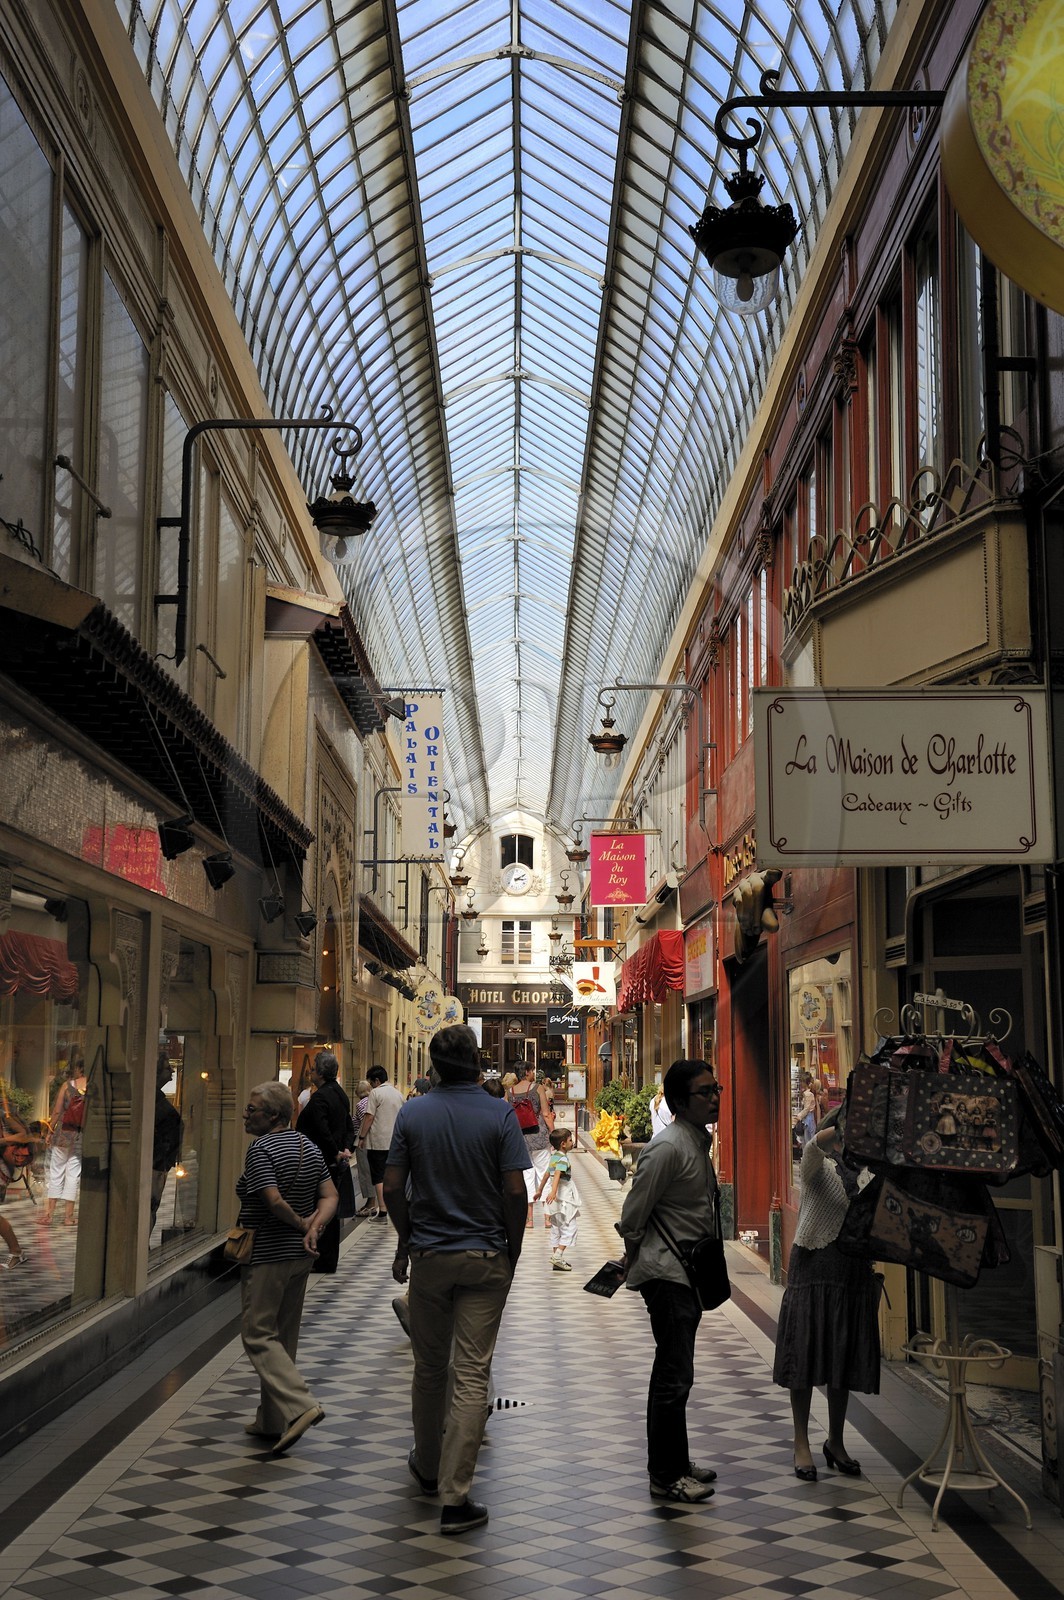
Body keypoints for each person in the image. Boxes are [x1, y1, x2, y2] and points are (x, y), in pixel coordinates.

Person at [384, 1023, 529, 1536]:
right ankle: (455, 1496)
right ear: (476, 1061)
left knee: (429, 1368)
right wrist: (513, 1247)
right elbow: (515, 1190)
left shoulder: (413, 1112)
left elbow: (393, 1187)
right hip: (486, 1254)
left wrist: (407, 1238)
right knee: (471, 1373)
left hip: (430, 1256)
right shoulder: (498, 1113)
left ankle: (427, 1467)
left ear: (435, 1065)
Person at [617, 1059, 723, 1504]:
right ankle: (665, 1474)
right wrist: (633, 1253)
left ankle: (676, 1461)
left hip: (687, 1273)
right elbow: (632, 1215)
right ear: (679, 1101)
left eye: (716, 1089)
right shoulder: (667, 1148)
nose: (715, 1098)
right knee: (673, 1376)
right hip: (668, 1274)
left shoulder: (696, 1141)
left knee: (678, 1373)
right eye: (705, 1092)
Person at [772, 1107, 880, 1481]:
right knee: (804, 1355)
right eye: (847, 1130)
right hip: (813, 1268)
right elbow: (811, 1149)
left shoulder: (866, 1173)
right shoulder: (817, 1167)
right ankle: (801, 1442)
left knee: (841, 1357)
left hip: (850, 1271)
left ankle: (836, 1441)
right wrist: (842, 1122)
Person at [236, 1082, 338, 1455]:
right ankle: (271, 1420)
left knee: (257, 1333)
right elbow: (330, 1195)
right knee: (283, 1336)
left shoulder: (261, 1149)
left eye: (253, 1109)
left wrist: (299, 1224)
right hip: (300, 1256)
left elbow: (273, 1200)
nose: (246, 1114)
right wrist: (313, 1228)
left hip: (268, 1254)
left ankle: (300, 1406)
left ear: (274, 1116)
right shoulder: (306, 1145)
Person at [296, 1050, 355, 1272]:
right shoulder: (339, 1093)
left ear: (320, 1073)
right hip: (332, 1158)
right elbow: (348, 1126)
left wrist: (334, 1152)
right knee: (330, 1211)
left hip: (321, 1161)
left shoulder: (321, 1097)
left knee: (322, 1209)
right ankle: (327, 1258)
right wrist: (345, 1148)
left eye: (312, 1069)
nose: (310, 1073)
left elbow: (321, 1130)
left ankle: (321, 1258)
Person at [42, 1054, 88, 1226]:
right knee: (73, 1174)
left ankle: (49, 1215)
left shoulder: (67, 1086)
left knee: (56, 1171)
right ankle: (68, 1217)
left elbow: (56, 1111)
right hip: (81, 1133)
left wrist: (49, 1131)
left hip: (63, 1132)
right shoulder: (93, 1087)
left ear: (79, 1068)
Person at [359, 1066, 405, 1222]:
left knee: (378, 1176)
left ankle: (383, 1211)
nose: (372, 1086)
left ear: (377, 1081)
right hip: (395, 1142)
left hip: (378, 1142)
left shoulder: (375, 1093)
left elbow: (369, 1117)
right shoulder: (398, 1094)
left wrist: (361, 1137)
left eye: (371, 1083)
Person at [508, 1062, 551, 1228]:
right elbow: (546, 1114)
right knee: (544, 1175)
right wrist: (554, 1133)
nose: (534, 1073)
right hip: (539, 1136)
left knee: (526, 1177)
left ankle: (529, 1219)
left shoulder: (509, 1092)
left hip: (519, 1139)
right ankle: (547, 1218)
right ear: (526, 1072)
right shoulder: (538, 1088)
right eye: (532, 1070)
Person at [534, 1129, 580, 1270]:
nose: (572, 1142)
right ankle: (558, 1255)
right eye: (570, 1140)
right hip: (563, 1197)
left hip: (554, 1199)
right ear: (563, 1144)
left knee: (556, 1227)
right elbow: (558, 1173)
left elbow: (547, 1174)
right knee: (570, 1227)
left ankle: (556, 1260)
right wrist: (554, 1191)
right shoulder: (563, 1159)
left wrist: (540, 1190)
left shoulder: (554, 1157)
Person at [150, 1051, 183, 1230]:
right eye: (167, 1067)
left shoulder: (157, 1100)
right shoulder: (153, 1102)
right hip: (154, 1166)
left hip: (159, 1165)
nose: (172, 1071)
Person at [353, 1078, 374, 1214]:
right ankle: (373, 1202)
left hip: (364, 1141)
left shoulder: (361, 1105)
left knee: (365, 1172)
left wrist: (359, 1138)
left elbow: (362, 1122)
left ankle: (370, 1203)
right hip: (375, 1142)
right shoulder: (373, 1101)